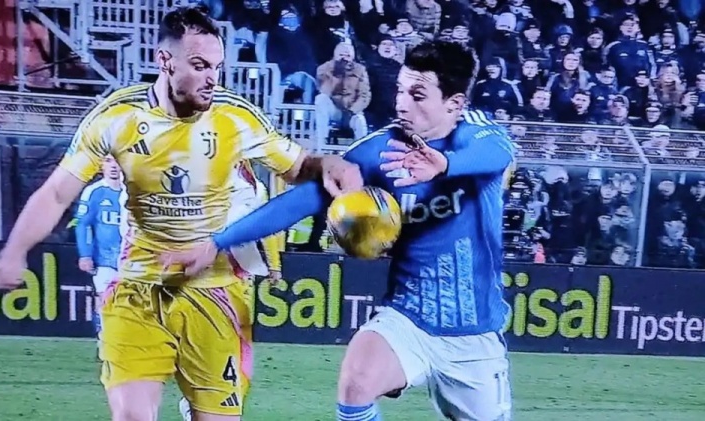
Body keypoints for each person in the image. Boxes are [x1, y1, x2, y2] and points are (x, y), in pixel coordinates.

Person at [0, 5, 362, 421]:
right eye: (200, 66)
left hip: (215, 292)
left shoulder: (235, 117)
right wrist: (14, 252)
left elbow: (298, 166)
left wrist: (328, 163)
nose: (212, 78)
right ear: (164, 60)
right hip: (138, 289)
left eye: (217, 67)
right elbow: (57, 193)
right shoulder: (118, 116)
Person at [206, 40, 515, 421]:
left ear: (454, 104)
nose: (402, 104)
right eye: (401, 90)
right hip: (409, 317)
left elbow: (499, 153)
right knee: (357, 382)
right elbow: (300, 201)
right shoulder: (379, 150)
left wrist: (444, 164)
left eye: (417, 95)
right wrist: (218, 242)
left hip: (474, 336)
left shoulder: (476, 134)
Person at [178, 161, 283, 421]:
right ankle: (202, 405)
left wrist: (274, 265)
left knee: (240, 357)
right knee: (213, 352)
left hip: (240, 280)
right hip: (205, 281)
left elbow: (267, 226)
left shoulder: (254, 186)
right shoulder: (196, 177)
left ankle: (208, 407)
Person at [75, 156, 123, 343]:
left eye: (117, 161)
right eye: (108, 161)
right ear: (101, 165)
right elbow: (83, 224)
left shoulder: (134, 192)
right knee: (106, 298)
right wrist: (85, 254)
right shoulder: (94, 192)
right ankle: (105, 340)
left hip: (132, 258)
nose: (113, 166)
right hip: (104, 258)